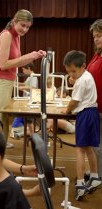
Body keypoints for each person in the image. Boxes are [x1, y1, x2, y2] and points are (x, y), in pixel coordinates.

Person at [0, 9, 46, 148]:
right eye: (23, 25)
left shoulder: (16, 36)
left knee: (4, 120)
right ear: (14, 21)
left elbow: (17, 61)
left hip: (6, 83)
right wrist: (28, 56)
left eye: (28, 27)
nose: (25, 29)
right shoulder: (7, 35)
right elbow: (3, 65)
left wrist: (35, 55)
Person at [63, 50, 101, 201]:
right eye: (69, 72)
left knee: (79, 149)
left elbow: (74, 102)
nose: (71, 75)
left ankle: (80, 183)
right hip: (93, 113)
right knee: (89, 147)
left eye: (73, 71)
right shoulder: (87, 75)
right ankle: (94, 176)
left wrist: (66, 110)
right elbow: (81, 85)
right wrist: (75, 78)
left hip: (84, 115)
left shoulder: (81, 80)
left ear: (83, 66)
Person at [87, 19, 102, 180]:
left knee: (98, 146)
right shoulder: (97, 54)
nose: (96, 39)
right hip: (95, 106)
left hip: (101, 107)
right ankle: (95, 172)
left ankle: (98, 176)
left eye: (99, 36)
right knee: (95, 145)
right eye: (94, 36)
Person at [10, 62, 38, 138]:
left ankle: (31, 133)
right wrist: (17, 83)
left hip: (30, 101)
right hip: (27, 100)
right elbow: (26, 84)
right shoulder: (30, 77)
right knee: (26, 118)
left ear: (29, 68)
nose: (23, 72)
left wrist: (22, 88)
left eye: (24, 70)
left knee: (28, 118)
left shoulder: (33, 76)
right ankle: (29, 132)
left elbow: (33, 88)